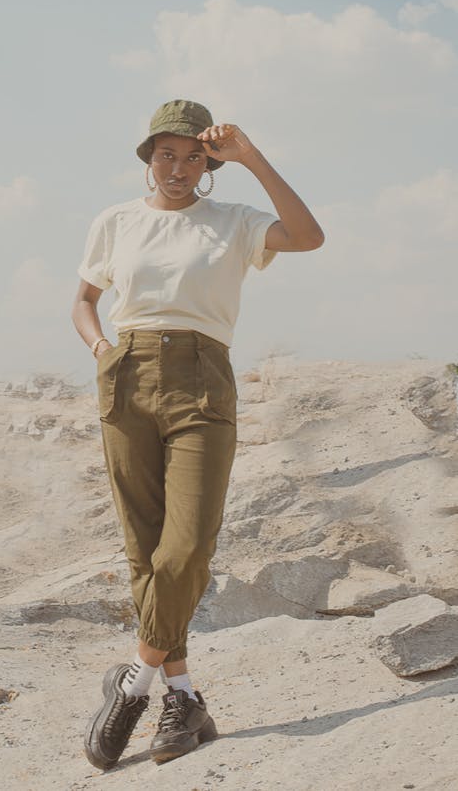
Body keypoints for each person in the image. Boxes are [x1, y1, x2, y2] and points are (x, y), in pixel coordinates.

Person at [72, 99, 324, 767]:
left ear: (210, 165)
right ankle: (183, 698)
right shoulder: (115, 221)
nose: (178, 168)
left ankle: (134, 683)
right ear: (148, 157)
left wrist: (251, 155)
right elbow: (83, 299)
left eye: (194, 157)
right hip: (126, 374)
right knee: (145, 547)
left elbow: (309, 237)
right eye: (166, 154)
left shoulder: (234, 222)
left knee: (186, 548)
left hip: (203, 377)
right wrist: (101, 349)